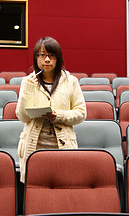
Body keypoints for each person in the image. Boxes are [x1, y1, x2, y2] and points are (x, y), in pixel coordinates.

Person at [16, 36, 87, 182]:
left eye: (51, 55)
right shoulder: (28, 82)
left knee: (64, 186)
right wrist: (27, 92)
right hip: (34, 146)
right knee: (34, 187)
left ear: (58, 58)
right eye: (42, 55)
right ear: (36, 58)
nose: (47, 59)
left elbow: (81, 113)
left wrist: (58, 115)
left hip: (62, 145)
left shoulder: (70, 81)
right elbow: (23, 117)